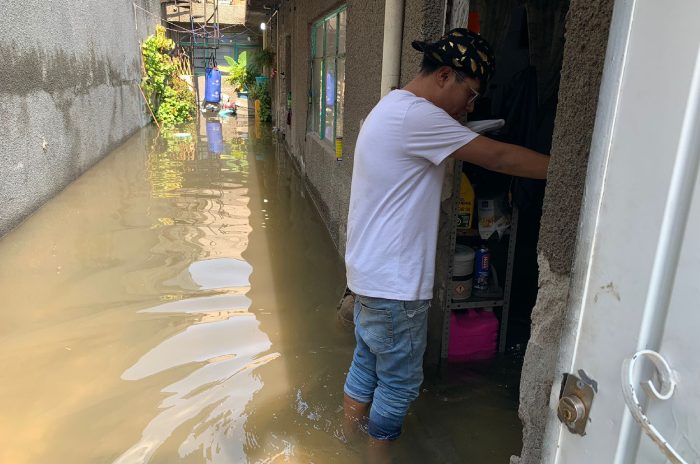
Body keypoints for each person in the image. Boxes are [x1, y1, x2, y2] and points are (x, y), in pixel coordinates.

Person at [341, 29, 549, 462]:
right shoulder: (419, 118)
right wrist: (566, 170)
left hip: (368, 280)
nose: (469, 107)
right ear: (444, 76)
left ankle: (346, 439)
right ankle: (374, 458)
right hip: (398, 290)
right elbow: (500, 158)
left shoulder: (390, 108)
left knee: (366, 364)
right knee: (398, 384)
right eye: (469, 94)